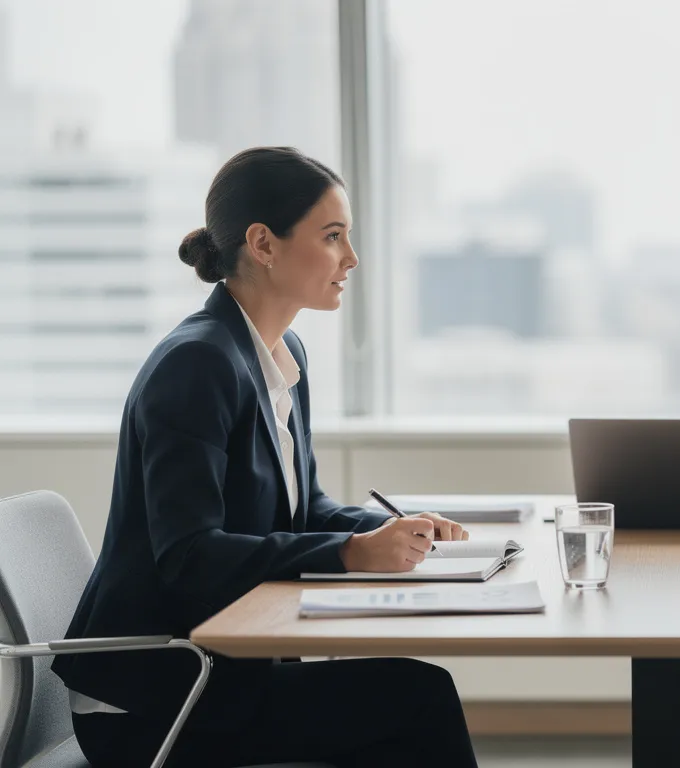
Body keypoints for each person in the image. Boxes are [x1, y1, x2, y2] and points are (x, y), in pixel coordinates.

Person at [53, 147, 478, 767]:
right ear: (263, 244)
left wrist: (388, 532)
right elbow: (189, 554)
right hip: (153, 699)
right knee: (417, 697)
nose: (351, 258)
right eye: (332, 236)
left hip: (220, 669)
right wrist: (349, 554)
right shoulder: (197, 363)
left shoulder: (280, 351)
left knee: (404, 701)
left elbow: (306, 508)